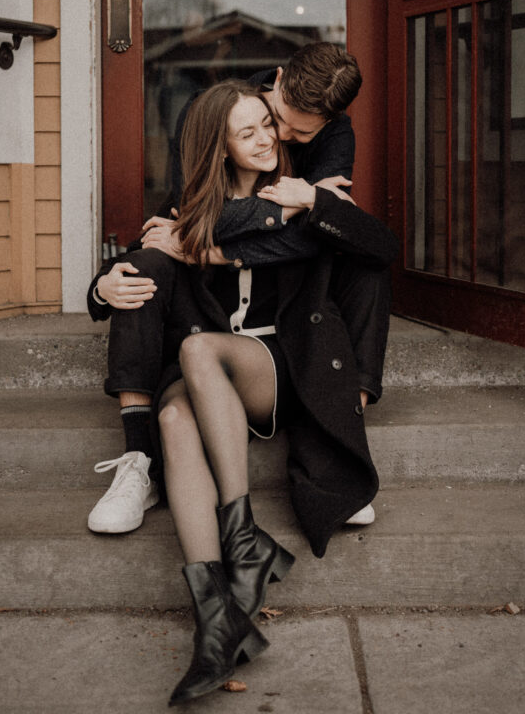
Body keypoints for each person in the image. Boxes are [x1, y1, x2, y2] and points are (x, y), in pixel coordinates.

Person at [110, 81, 397, 704]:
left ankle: (243, 539)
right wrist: (102, 287)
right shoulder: (189, 204)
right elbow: (150, 256)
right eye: (249, 132)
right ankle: (216, 621)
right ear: (220, 147)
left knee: (195, 348)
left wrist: (213, 246)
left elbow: (377, 245)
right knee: (175, 419)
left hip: (281, 369)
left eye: (268, 124)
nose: (268, 137)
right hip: (212, 386)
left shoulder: (301, 194)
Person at [86, 42, 390, 535]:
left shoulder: (334, 135)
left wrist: (303, 204)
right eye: (272, 120)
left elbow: (328, 233)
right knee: (146, 263)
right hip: (207, 330)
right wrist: (103, 289)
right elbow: (197, 212)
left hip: (281, 339)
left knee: (362, 256)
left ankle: (339, 429)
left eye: (296, 132)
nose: (280, 138)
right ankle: (139, 459)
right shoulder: (212, 111)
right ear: (276, 79)